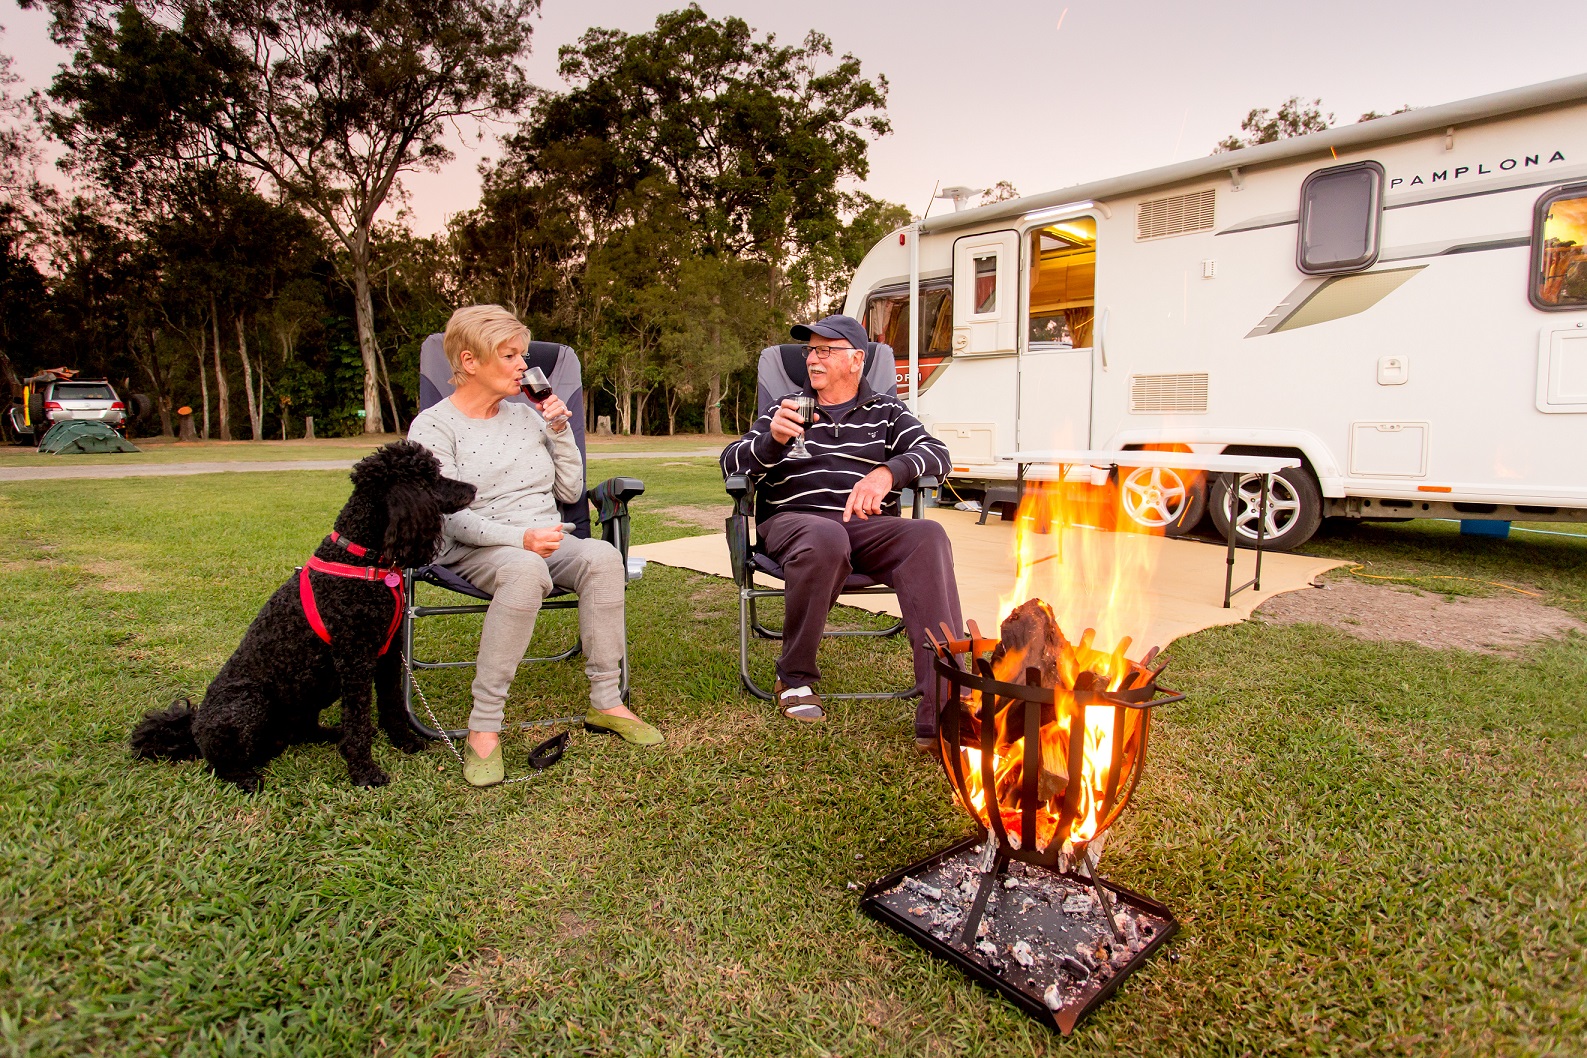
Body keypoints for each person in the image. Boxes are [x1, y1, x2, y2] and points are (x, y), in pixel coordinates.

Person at [408, 305, 661, 787]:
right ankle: (484, 726)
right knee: (525, 570)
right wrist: (519, 540)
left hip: (545, 537)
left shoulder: (528, 417)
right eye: (511, 355)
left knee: (604, 557)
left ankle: (607, 700)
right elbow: (448, 516)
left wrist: (560, 431)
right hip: (478, 546)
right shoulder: (433, 427)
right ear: (470, 360)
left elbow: (569, 493)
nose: (524, 365)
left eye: (523, 354)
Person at [720, 314, 963, 748]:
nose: (812, 358)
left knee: (928, 535)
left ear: (856, 360)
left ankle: (945, 703)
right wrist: (771, 441)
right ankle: (794, 677)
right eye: (810, 350)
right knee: (825, 537)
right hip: (795, 524)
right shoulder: (785, 409)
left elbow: (937, 454)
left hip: (865, 525)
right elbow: (731, 465)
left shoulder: (888, 411)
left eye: (824, 350)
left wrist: (888, 473)